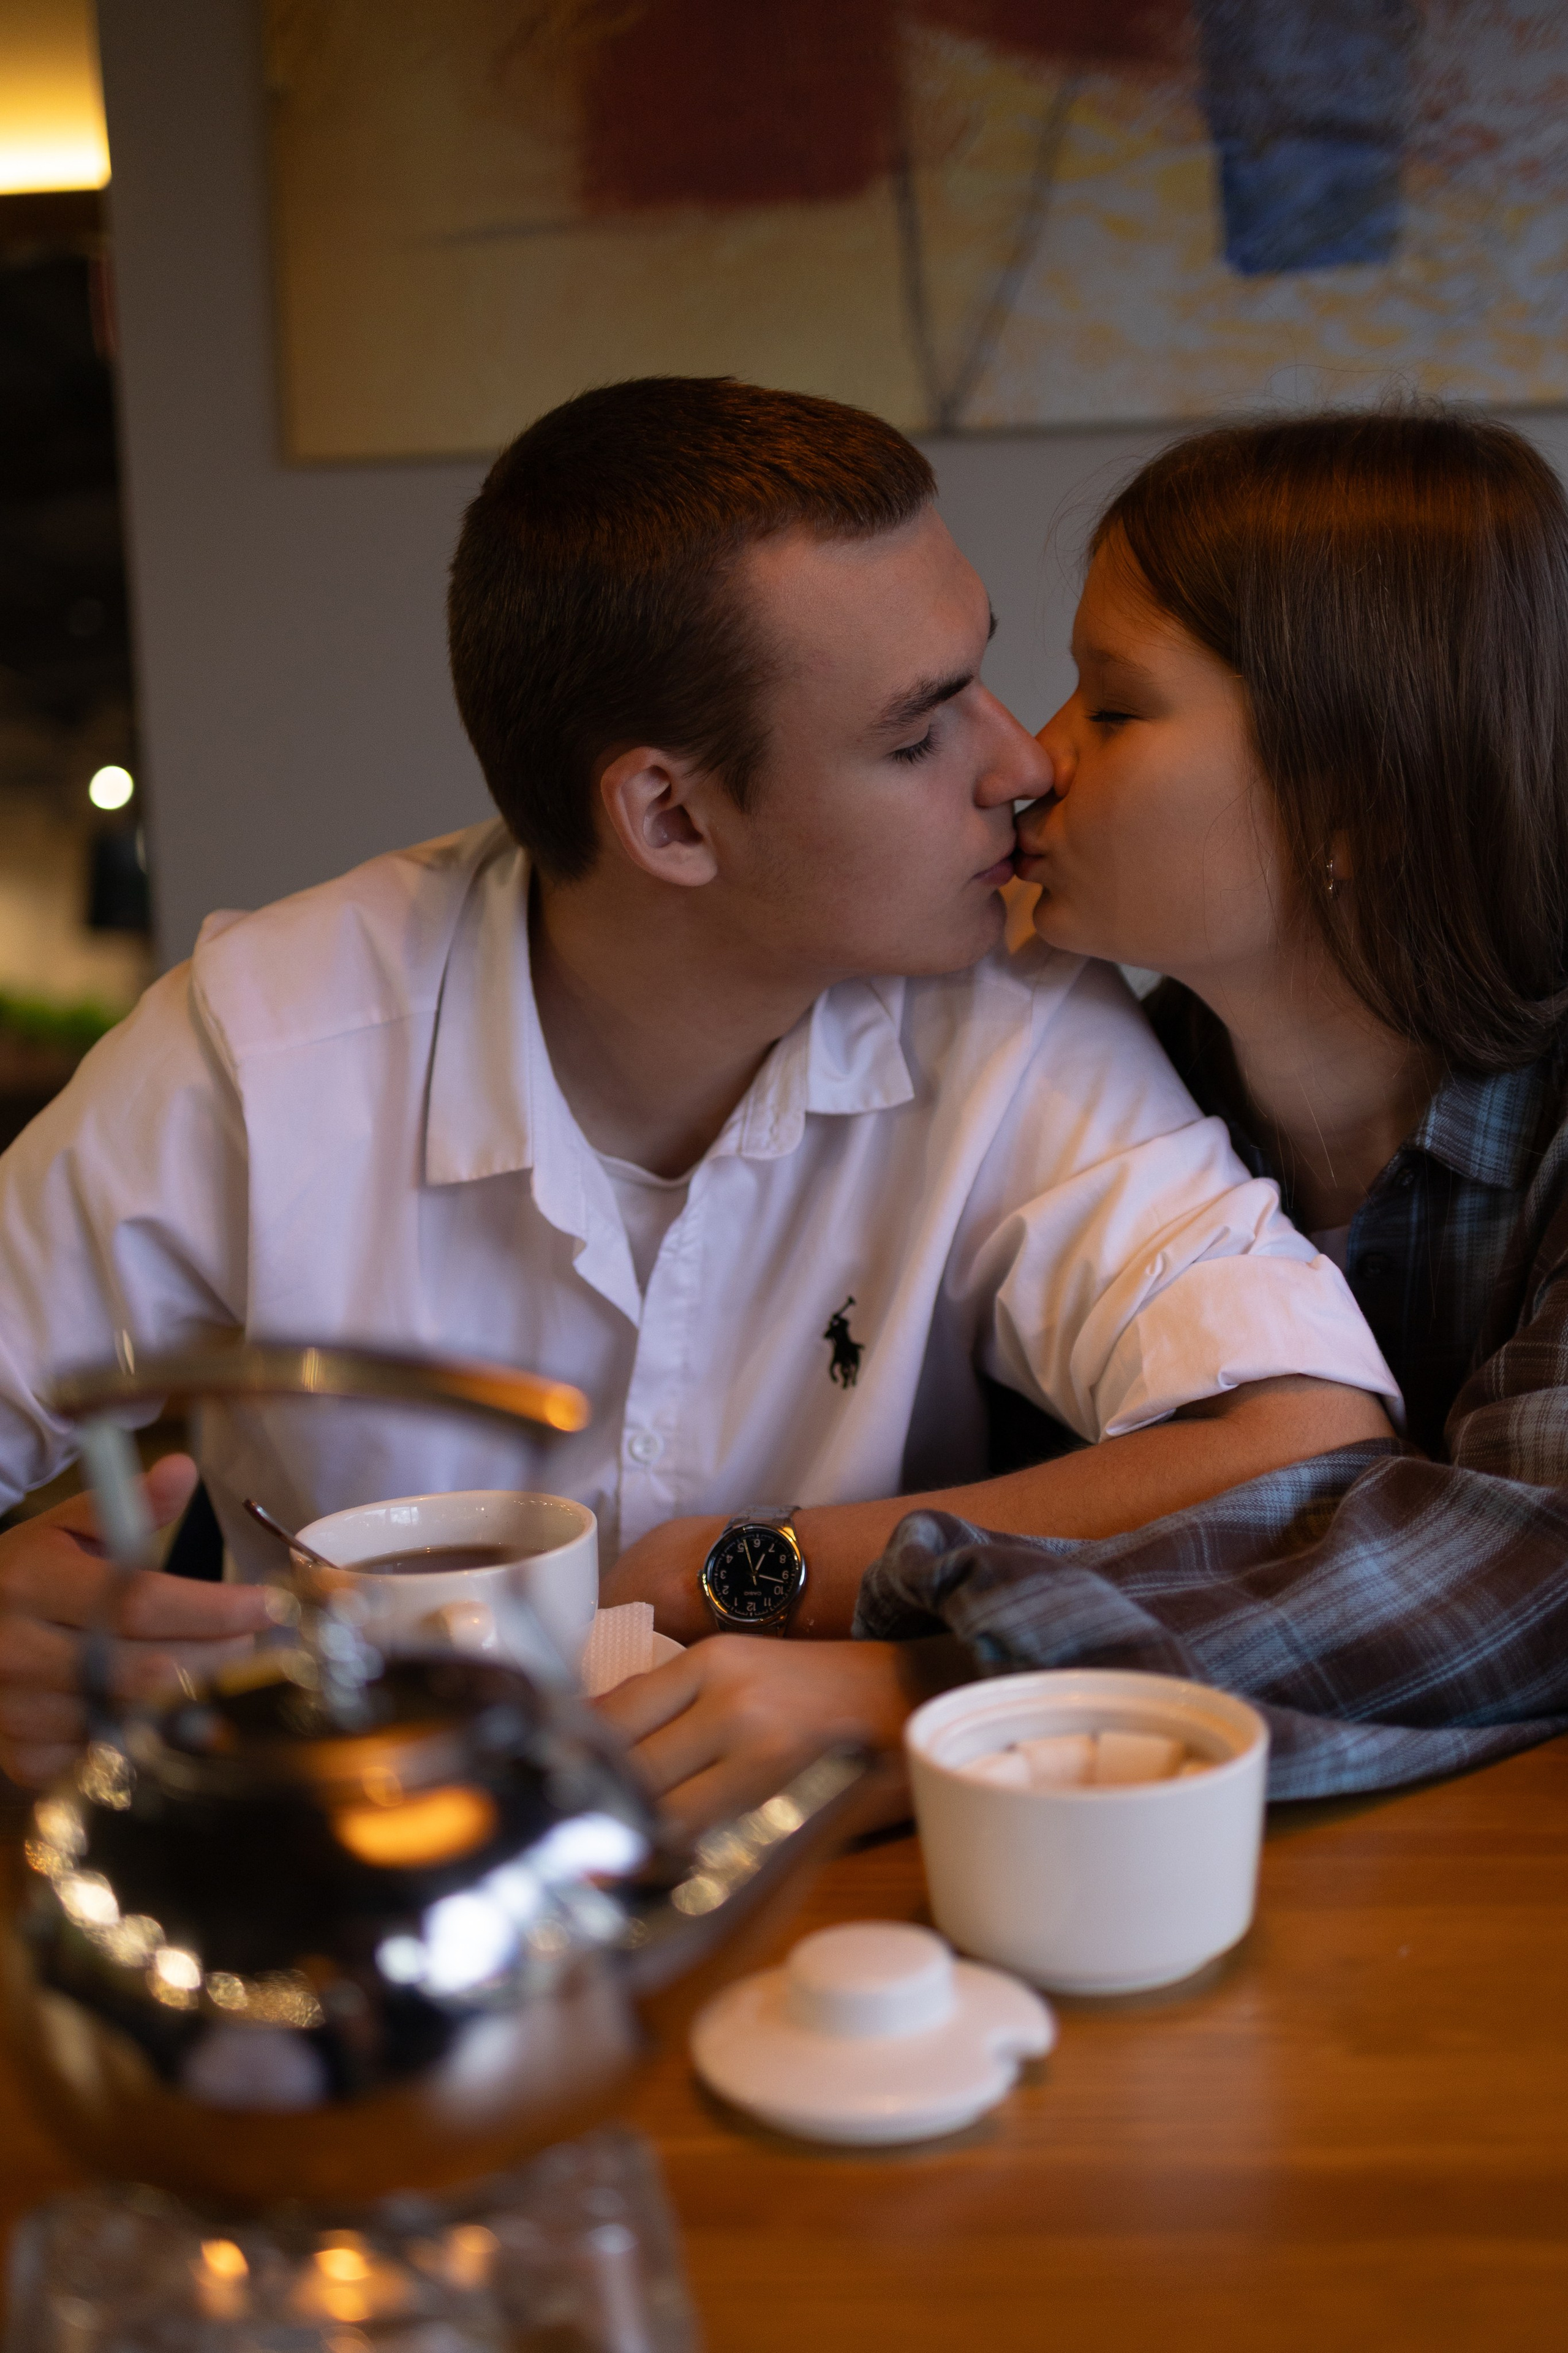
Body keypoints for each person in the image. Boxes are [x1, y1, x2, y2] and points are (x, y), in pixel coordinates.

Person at [0, 377, 1394, 1790]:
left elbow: (1300, 1433)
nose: (1021, 761)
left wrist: (747, 1574)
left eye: (979, 673)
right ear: (669, 816)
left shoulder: (1007, 1008)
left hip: (830, 1894)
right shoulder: (265, 1051)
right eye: (915, 738)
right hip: (348, 1882)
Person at [613, 404, 1568, 1830]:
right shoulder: (1082, 1086)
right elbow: (1046, 1505)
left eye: (1111, 707)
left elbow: (1525, 1561)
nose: (1032, 761)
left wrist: (939, 1690)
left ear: (1355, 796)